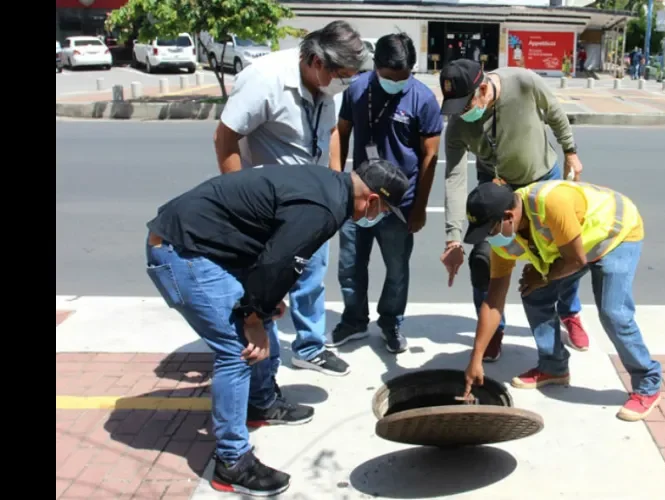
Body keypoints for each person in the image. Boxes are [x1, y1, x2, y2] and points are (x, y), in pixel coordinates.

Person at [144, 160, 409, 496]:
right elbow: (277, 261)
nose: (380, 216)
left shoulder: (330, 186)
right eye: (385, 209)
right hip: (182, 252)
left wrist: (264, 303)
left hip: (207, 246)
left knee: (261, 314)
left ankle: (260, 402)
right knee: (239, 349)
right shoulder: (324, 209)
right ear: (371, 200)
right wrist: (253, 315)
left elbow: (276, 249)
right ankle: (232, 462)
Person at [213, 21, 370, 377]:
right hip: (269, 205)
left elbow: (331, 132)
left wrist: (336, 185)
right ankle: (260, 370)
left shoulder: (329, 83)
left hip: (314, 200)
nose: (345, 82)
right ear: (316, 61)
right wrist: (240, 204)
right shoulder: (264, 80)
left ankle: (309, 347)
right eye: (341, 74)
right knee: (266, 282)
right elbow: (225, 139)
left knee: (312, 275)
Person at [460, 179, 664, 422]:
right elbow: (494, 302)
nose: (490, 238)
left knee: (613, 313)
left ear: (508, 216)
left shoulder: (552, 204)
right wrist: (476, 358)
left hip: (615, 235)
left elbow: (575, 261)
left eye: (490, 231)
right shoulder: (504, 240)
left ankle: (648, 383)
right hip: (574, 247)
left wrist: (543, 275)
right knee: (533, 294)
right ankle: (553, 366)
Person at [438, 59, 589, 364]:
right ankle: (493, 329)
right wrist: (453, 238)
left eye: (465, 106)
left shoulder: (522, 82)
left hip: (542, 179)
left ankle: (569, 312)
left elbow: (555, 114)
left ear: (482, 89)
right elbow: (455, 179)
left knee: (561, 254)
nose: (461, 115)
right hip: (495, 190)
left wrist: (571, 152)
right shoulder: (457, 126)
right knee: (483, 260)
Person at [327, 32, 442, 353]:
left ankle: (391, 322)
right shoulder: (358, 89)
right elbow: (341, 132)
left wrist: (419, 208)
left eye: (404, 77)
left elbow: (430, 157)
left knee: (396, 269)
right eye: (391, 77)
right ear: (375, 66)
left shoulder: (422, 99)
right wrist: (338, 182)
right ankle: (354, 320)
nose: (397, 83)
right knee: (350, 265)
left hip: (398, 205)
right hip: (357, 198)